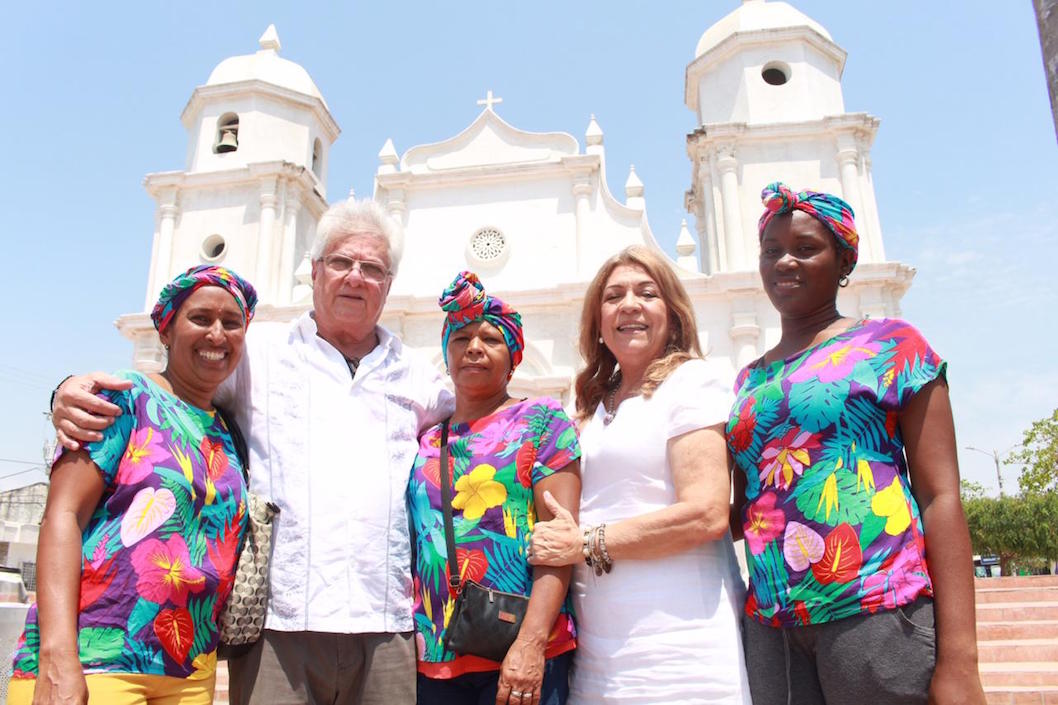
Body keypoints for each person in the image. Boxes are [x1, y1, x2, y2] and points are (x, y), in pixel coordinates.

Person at [48, 199, 453, 705]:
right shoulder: (256, 353)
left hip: (386, 623)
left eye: (372, 268)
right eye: (341, 262)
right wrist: (68, 389)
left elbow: (487, 427)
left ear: (388, 285)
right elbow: (170, 388)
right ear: (314, 272)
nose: (355, 277)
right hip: (278, 627)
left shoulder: (419, 375)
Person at [726, 182, 985, 705]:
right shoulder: (749, 380)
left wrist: (960, 659)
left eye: (805, 248)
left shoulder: (893, 345)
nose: (784, 263)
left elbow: (941, 497)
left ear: (844, 261)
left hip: (876, 607)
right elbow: (741, 507)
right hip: (772, 623)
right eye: (771, 251)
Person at [9, 265, 258, 705]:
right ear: (165, 330)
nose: (217, 334)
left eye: (231, 323)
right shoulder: (121, 399)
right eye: (200, 319)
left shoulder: (228, 431)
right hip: (97, 660)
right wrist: (57, 657)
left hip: (189, 669)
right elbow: (62, 515)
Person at [529, 246, 751, 704]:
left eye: (646, 293)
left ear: (672, 312)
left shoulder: (691, 383)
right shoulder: (591, 404)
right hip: (599, 651)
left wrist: (584, 543)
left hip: (677, 642)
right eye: (613, 297)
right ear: (597, 321)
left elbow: (707, 514)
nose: (629, 304)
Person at [409, 271, 581, 705]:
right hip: (436, 653)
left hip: (519, 650)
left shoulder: (543, 421)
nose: (474, 348)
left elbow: (559, 543)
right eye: (460, 338)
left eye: (491, 339)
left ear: (514, 356)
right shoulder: (427, 439)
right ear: (446, 355)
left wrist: (530, 645)